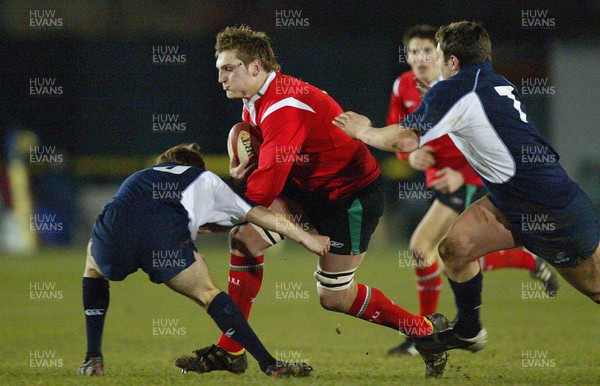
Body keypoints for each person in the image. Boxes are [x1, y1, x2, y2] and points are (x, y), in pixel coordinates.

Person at [177, 25, 449, 378]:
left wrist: (205, 219)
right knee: (245, 239)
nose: (220, 78)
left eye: (228, 68)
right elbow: (263, 181)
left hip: (349, 198)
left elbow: (259, 195)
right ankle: (231, 350)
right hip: (306, 193)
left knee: (333, 296)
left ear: (256, 67)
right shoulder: (257, 100)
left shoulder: (282, 108)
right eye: (219, 69)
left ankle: (424, 331)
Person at [334, 20, 599, 356]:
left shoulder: (457, 89)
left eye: (439, 55)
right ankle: (469, 331)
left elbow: (404, 137)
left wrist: (362, 131)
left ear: (453, 62)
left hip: (549, 208)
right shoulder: (492, 82)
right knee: (454, 249)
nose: (434, 63)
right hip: (510, 201)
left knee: (595, 288)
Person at [77, 143, 331, 378]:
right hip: (163, 236)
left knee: (93, 269)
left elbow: (201, 221)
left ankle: (93, 358)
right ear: (197, 166)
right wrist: (305, 238)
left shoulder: (141, 176)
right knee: (209, 295)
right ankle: (269, 364)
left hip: (112, 231)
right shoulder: (204, 178)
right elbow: (255, 214)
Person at [386, 25, 558, 356]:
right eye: (413, 53)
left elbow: (482, 142)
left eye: (427, 51)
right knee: (454, 254)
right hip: (439, 179)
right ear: (405, 56)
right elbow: (398, 132)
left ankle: (424, 331)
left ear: (442, 57)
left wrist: (461, 175)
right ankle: (528, 261)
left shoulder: (455, 89)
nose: (420, 59)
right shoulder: (403, 86)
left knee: (423, 249)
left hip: (466, 179)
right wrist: (409, 153)